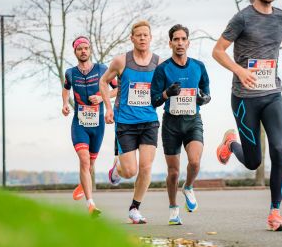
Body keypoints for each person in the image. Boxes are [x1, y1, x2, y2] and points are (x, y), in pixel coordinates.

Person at [212, 0, 282, 231]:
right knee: (254, 161)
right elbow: (217, 51)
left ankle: (275, 212)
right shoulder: (242, 18)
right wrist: (240, 70)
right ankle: (231, 144)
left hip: (272, 94)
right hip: (244, 99)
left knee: (278, 150)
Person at [99, 20, 161, 224]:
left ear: (151, 38)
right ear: (132, 38)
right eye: (139, 35)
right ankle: (117, 170)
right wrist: (108, 107)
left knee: (145, 167)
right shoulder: (121, 61)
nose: (143, 38)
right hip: (125, 122)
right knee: (130, 171)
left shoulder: (159, 63)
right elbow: (103, 81)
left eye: (146, 35)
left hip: (150, 121)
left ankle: (135, 208)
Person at [150, 24, 211, 225]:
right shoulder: (162, 69)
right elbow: (154, 100)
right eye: (176, 39)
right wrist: (167, 93)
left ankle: (189, 186)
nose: (180, 43)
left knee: (194, 162)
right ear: (170, 43)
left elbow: (207, 93)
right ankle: (173, 208)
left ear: (188, 42)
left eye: (183, 39)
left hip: (192, 120)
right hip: (171, 124)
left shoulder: (199, 66)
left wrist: (203, 99)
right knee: (173, 172)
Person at [62, 36, 117, 217]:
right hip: (79, 123)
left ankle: (82, 184)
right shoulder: (70, 72)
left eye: (86, 48)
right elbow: (66, 87)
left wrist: (102, 97)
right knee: (84, 160)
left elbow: (119, 87)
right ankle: (90, 204)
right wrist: (64, 103)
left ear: (90, 49)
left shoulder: (102, 69)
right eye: (80, 49)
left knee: (90, 163)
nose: (83, 51)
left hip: (97, 123)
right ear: (75, 52)